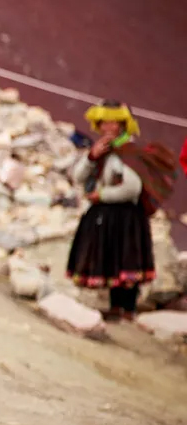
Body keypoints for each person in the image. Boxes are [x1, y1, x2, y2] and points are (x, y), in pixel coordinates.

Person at [65, 100, 157, 320]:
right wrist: (91, 158)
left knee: (126, 258)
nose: (106, 127)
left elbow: (132, 188)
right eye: (103, 123)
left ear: (122, 125)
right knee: (110, 256)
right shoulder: (100, 150)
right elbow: (78, 177)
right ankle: (115, 307)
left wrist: (103, 195)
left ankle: (127, 308)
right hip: (104, 213)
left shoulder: (130, 153)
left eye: (111, 123)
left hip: (126, 216)